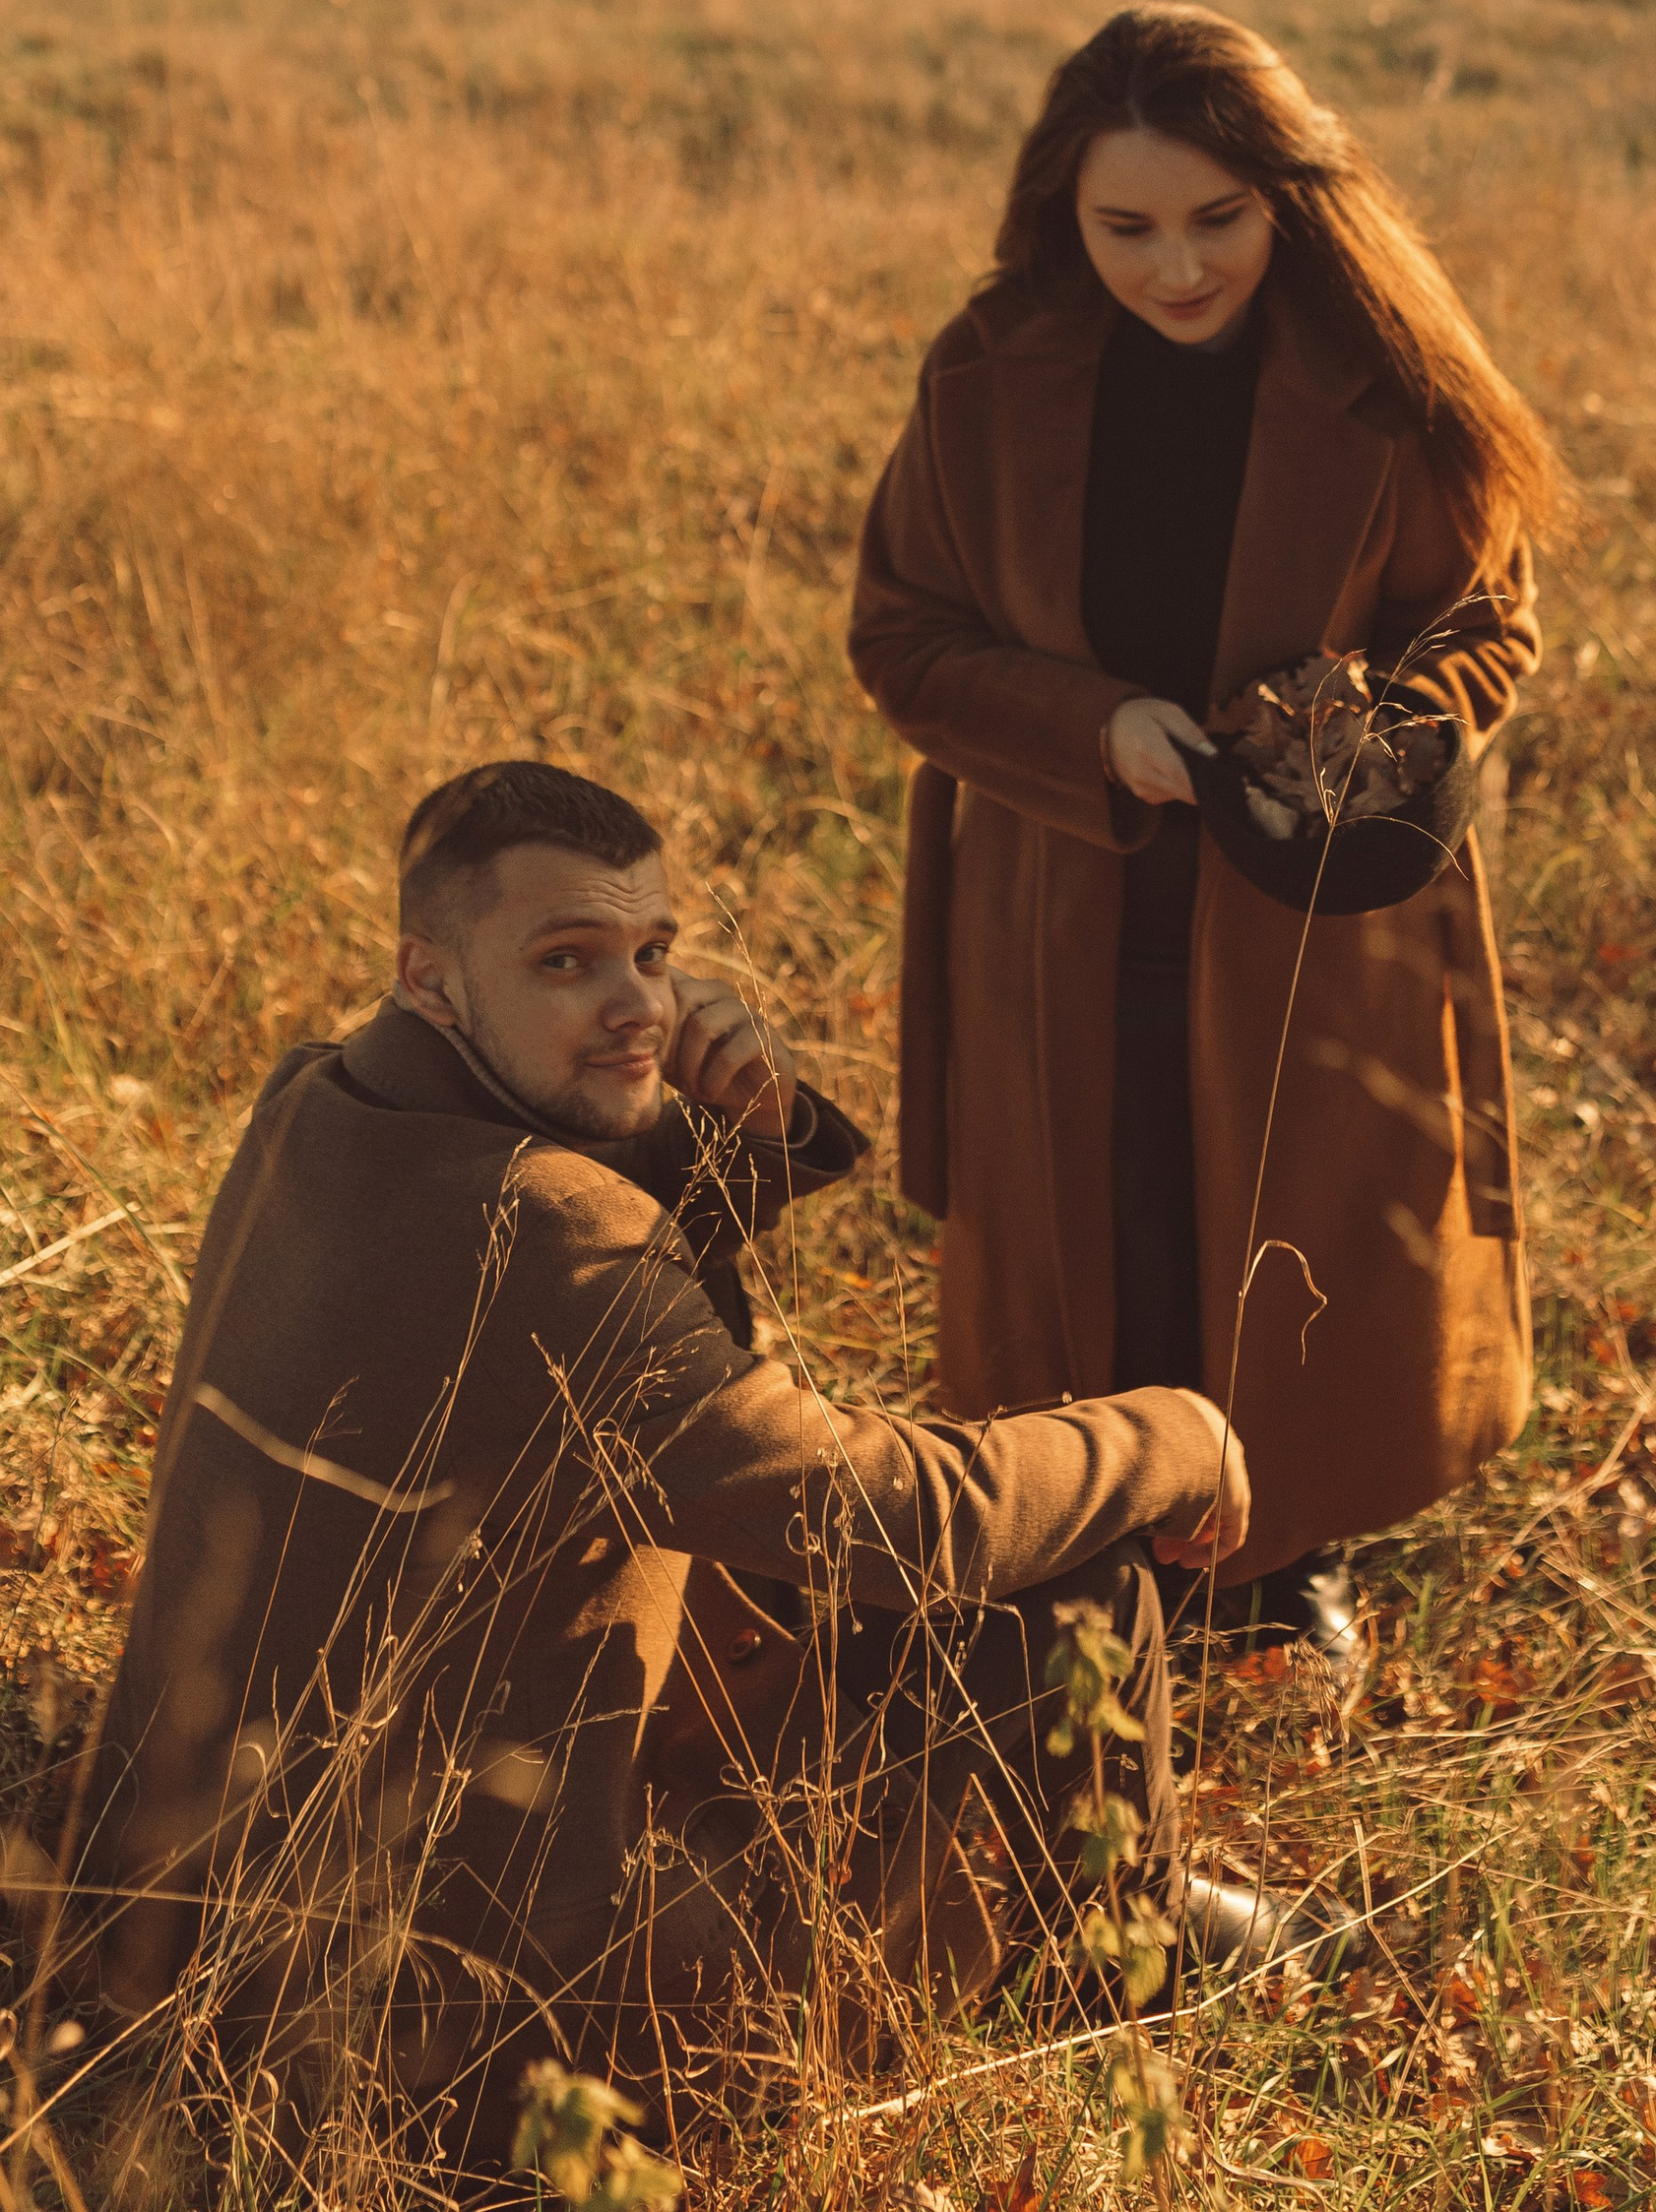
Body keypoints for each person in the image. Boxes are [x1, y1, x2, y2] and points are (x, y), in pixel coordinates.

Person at [78, 758, 1263, 2173]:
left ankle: (1094, 1911)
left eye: (653, 951)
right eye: (567, 960)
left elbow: (608, 1314)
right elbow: (894, 1522)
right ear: (433, 975)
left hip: (192, 1907)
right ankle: (1096, 1950)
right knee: (1078, 1578)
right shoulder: (546, 1233)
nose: (637, 1001)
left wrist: (740, 1126)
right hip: (473, 2034)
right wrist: (1176, 1432)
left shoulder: (315, 1104)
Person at [850, 4, 1567, 1665]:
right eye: (1128, 228)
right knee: (1098, 1213)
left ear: (1291, 198)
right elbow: (905, 637)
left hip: (1310, 900)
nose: (1177, 267)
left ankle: (1278, 1553)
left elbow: (1485, 622)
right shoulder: (988, 375)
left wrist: (1354, 731)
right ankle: (1085, 1536)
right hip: (1053, 888)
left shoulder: (1386, 378)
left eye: (1217, 219)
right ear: (1063, 212)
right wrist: (1100, 733)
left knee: (1282, 1218)